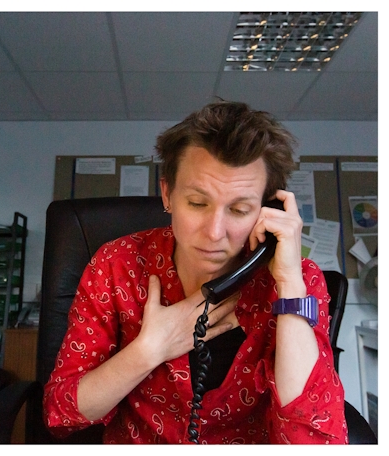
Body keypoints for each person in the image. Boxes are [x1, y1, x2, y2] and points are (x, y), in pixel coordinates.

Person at [43, 101, 347, 443]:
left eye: (239, 209)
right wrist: (149, 350)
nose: (215, 232)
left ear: (268, 211)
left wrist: (290, 282)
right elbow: (61, 414)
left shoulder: (298, 279)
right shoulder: (117, 264)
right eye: (197, 203)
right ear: (168, 194)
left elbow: (316, 437)